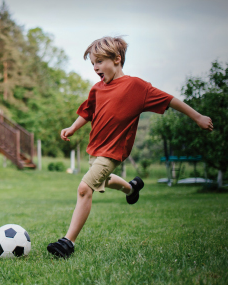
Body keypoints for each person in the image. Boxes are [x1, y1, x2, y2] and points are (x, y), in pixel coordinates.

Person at [46, 36, 213, 258]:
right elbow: (87, 112)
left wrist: (198, 116)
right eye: (92, 64)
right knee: (103, 180)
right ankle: (132, 188)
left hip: (114, 151)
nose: (95, 68)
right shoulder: (97, 89)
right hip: (95, 148)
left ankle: (68, 242)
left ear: (116, 59)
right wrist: (72, 128)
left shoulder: (136, 87)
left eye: (99, 62)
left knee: (85, 188)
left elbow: (170, 100)